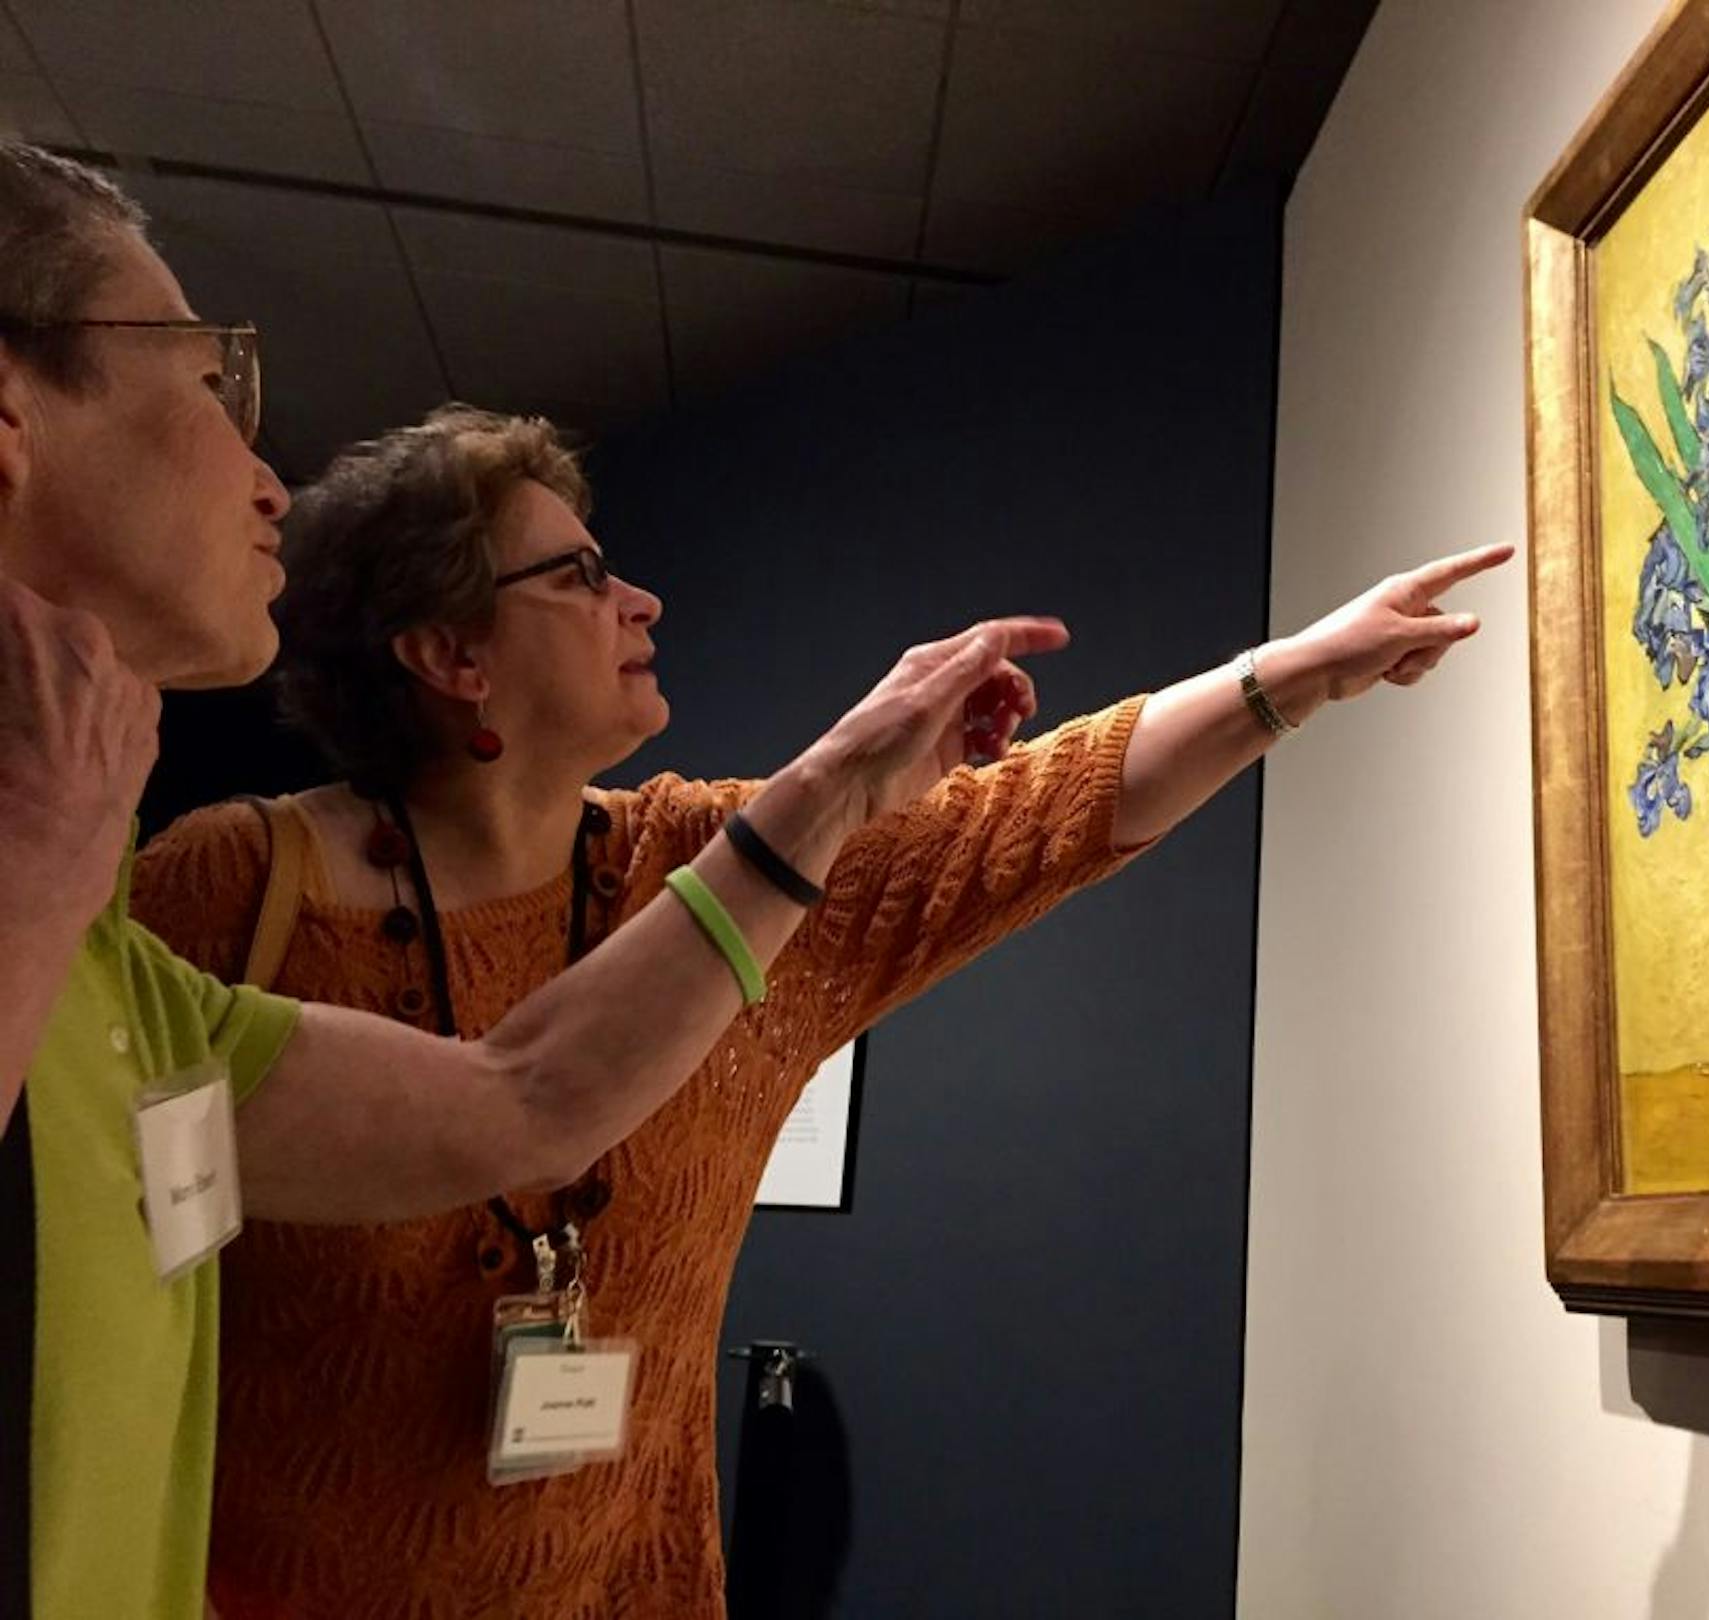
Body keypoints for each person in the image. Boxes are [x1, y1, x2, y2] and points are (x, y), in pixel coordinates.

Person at [130, 402, 1513, 1616]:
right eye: (583, 575)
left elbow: (1045, 808)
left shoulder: (697, 864)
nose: (641, 603)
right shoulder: (237, 895)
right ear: (451, 654)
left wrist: (1303, 670)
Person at [0, 139, 1088, 1620]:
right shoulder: (168, 883)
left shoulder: (120, 972)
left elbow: (524, 1101)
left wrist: (834, 786)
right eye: (207, 382)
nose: (264, 477)